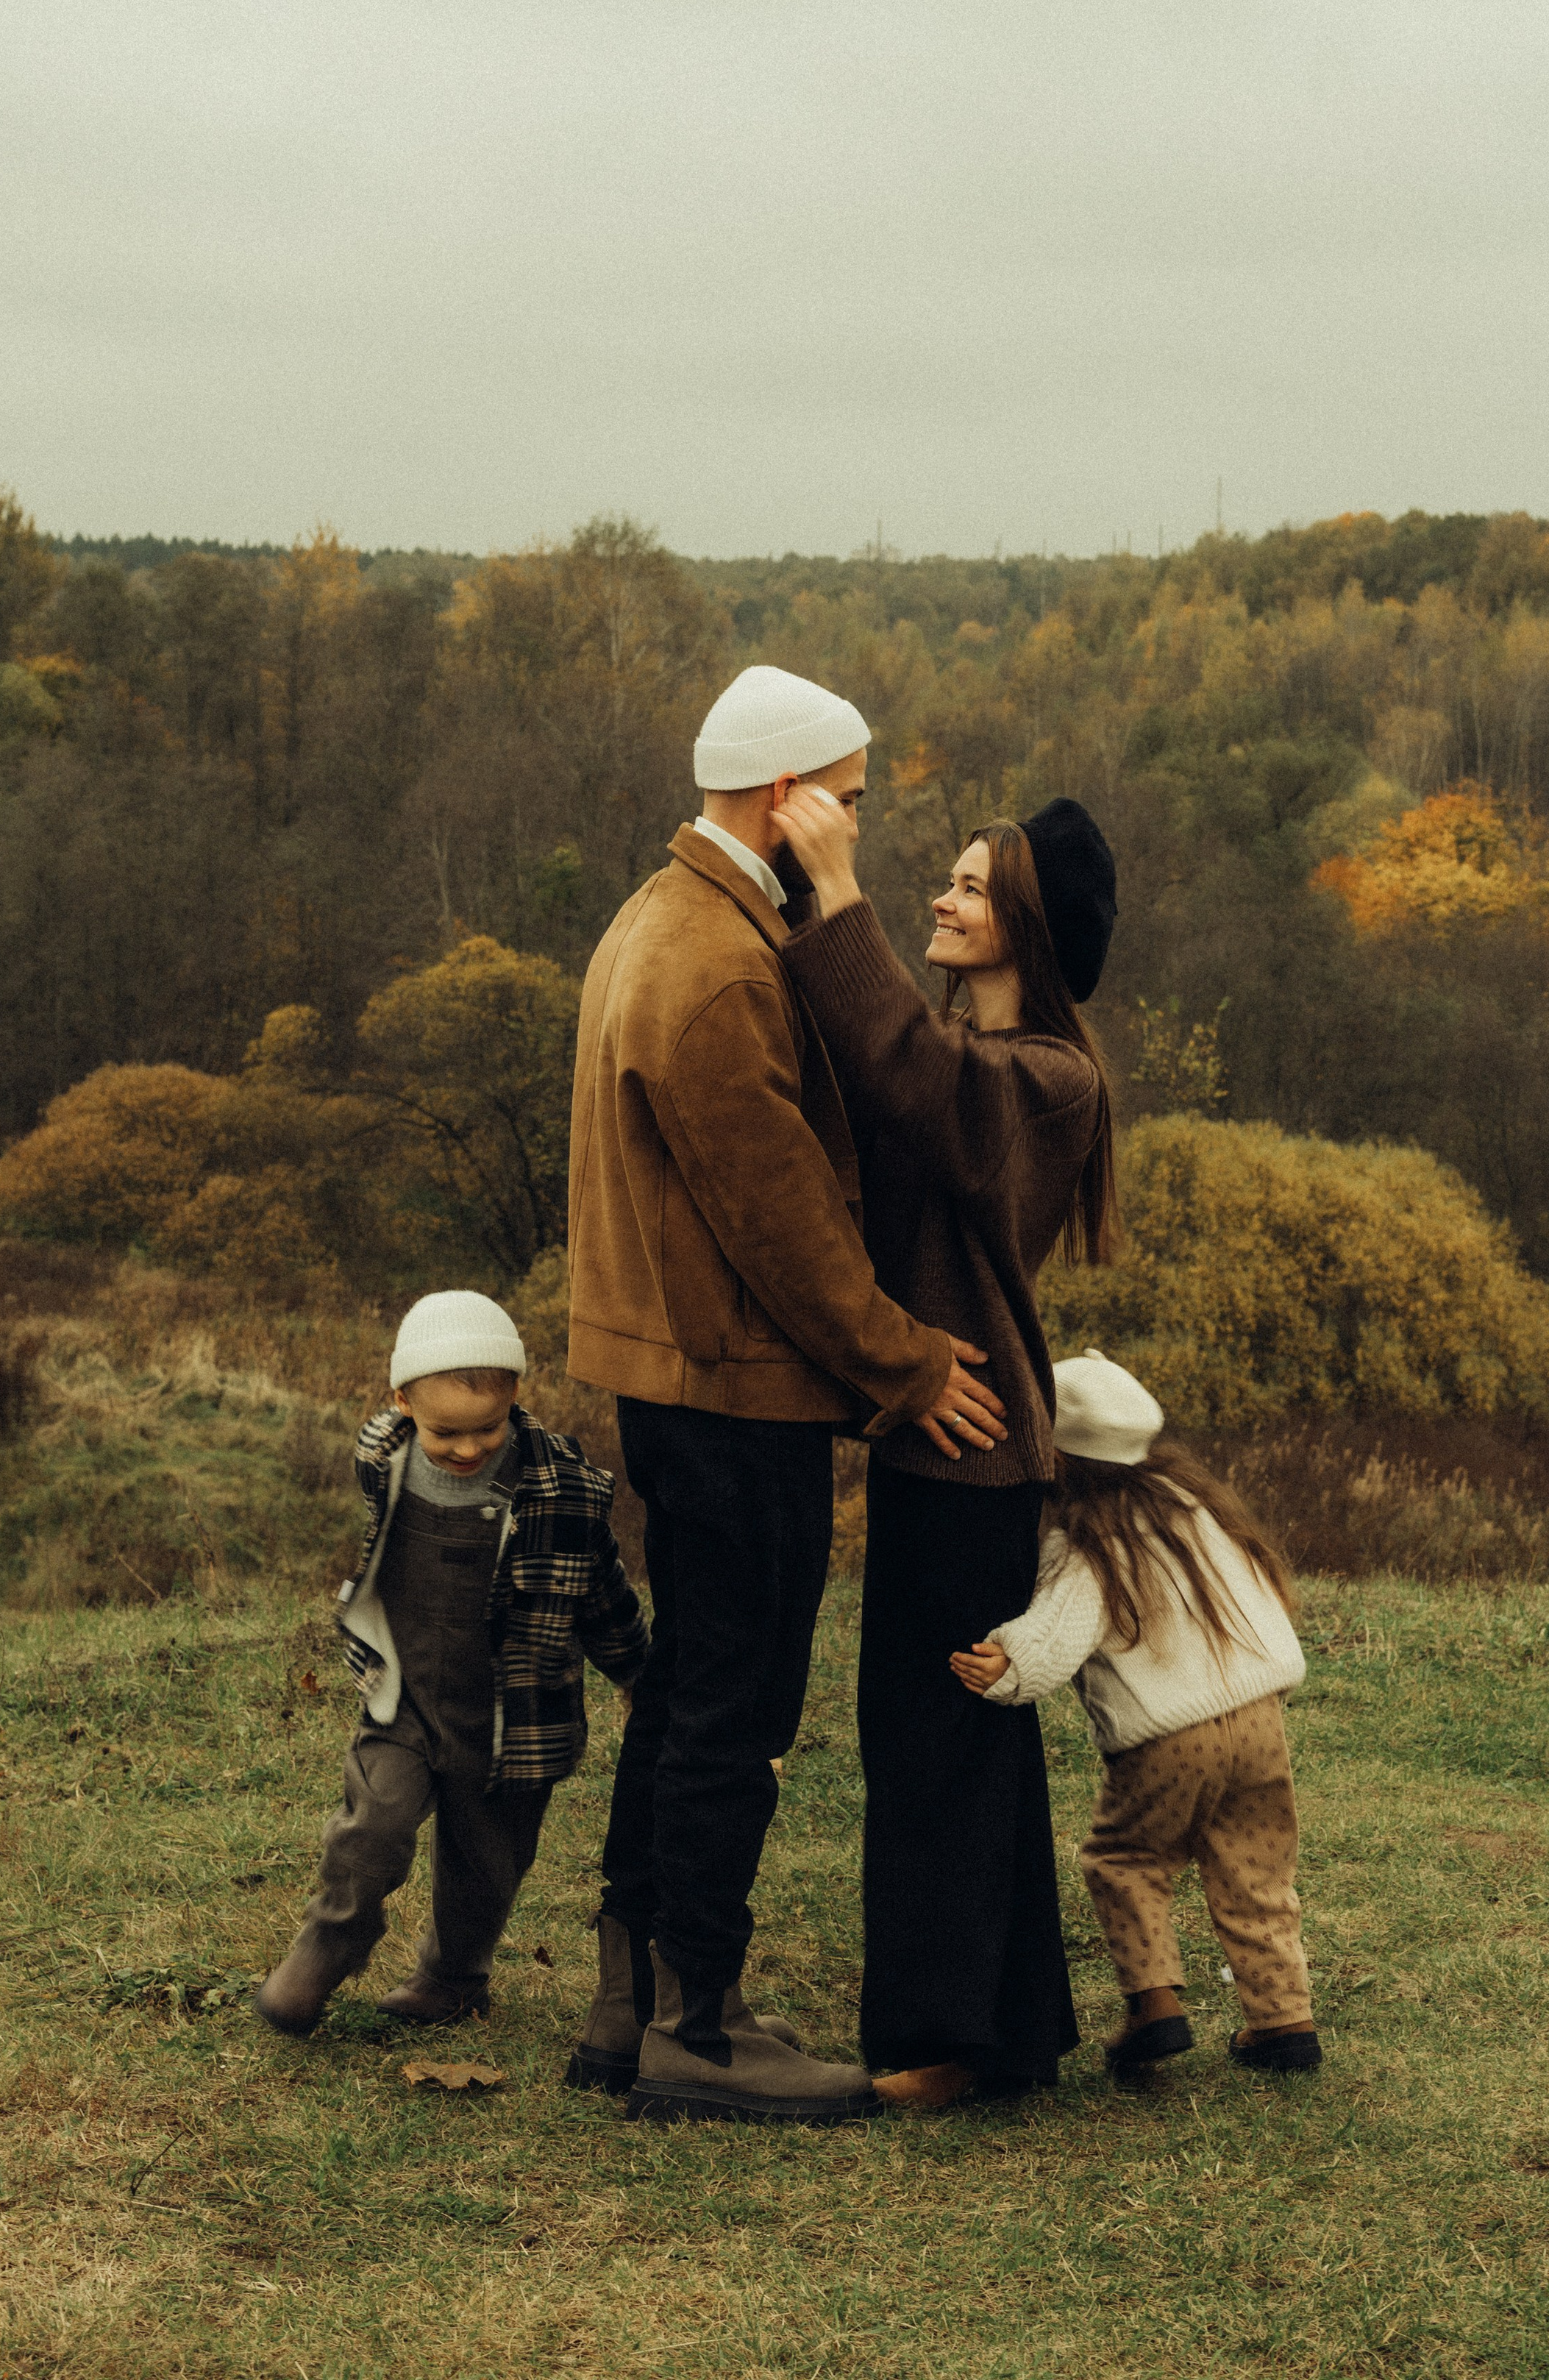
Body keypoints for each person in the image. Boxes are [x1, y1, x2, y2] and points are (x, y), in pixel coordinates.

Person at [565, 664, 1008, 2124]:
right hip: (735, 1390)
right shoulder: (711, 964)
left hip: (683, 1377)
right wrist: (903, 1360)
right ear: (788, 797)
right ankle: (702, 2022)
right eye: (852, 802)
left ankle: (629, 2007)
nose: (861, 829)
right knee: (735, 1704)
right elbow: (779, 1219)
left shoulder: (664, 917)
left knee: (692, 1680)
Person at [772, 782, 1121, 2109]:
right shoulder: (988, 1066)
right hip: (942, 1438)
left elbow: (911, 1073)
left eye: (973, 887)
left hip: (974, 1448)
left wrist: (838, 889)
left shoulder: (1046, 1082)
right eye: (950, 880)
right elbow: (891, 1066)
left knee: (940, 1739)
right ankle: (1005, 2032)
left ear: (1024, 925)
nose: (943, 897)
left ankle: (952, 2044)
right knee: (942, 1733)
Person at [254, 1289, 647, 2038]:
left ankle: (452, 1978)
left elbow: (600, 1592)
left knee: (485, 1866)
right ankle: (328, 1944)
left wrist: (633, 1672)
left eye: (487, 1430)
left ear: (516, 1397)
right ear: (401, 1402)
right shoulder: (384, 1458)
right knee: (369, 1831)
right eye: (445, 1433)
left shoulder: (561, 1490)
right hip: (404, 1699)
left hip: (515, 1718)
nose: (467, 1450)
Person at [953, 1349, 1321, 2079]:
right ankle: (1283, 2025)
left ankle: (1155, 2010)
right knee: (1255, 1870)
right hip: (1256, 1720)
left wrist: (1009, 1663)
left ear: (1055, 1457)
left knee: (1127, 1861)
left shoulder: (1088, 1543)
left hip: (1167, 1736)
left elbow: (1061, 1630)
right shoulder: (1196, 1511)